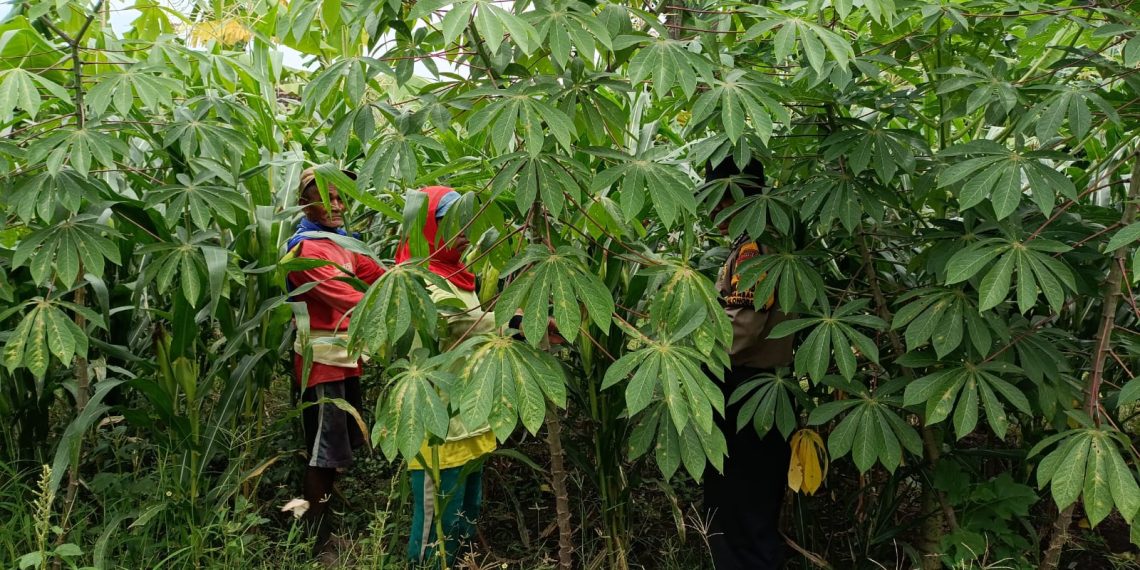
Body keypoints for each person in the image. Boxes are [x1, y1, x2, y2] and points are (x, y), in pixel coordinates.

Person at [285, 168, 385, 560]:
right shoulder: (307, 250)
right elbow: (349, 297)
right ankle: (317, 542)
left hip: (345, 359)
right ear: (303, 203)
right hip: (323, 364)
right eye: (327, 199)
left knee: (334, 454)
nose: (337, 205)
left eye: (341, 197)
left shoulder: (342, 242)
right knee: (322, 455)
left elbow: (378, 277)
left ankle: (323, 531)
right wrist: (397, 307)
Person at [396, 185, 497, 566]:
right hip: (435, 423)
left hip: (469, 416)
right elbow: (458, 325)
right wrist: (518, 323)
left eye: (467, 220)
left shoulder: (458, 275)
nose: (465, 231)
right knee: (436, 523)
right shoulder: (416, 279)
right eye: (452, 222)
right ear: (426, 227)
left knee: (466, 514)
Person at [703, 159, 795, 569]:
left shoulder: (755, 248)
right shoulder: (758, 240)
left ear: (735, 197)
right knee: (743, 505)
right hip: (758, 389)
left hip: (749, 389)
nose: (712, 212)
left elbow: (741, 330)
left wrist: (689, 357)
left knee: (741, 507)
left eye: (716, 200)